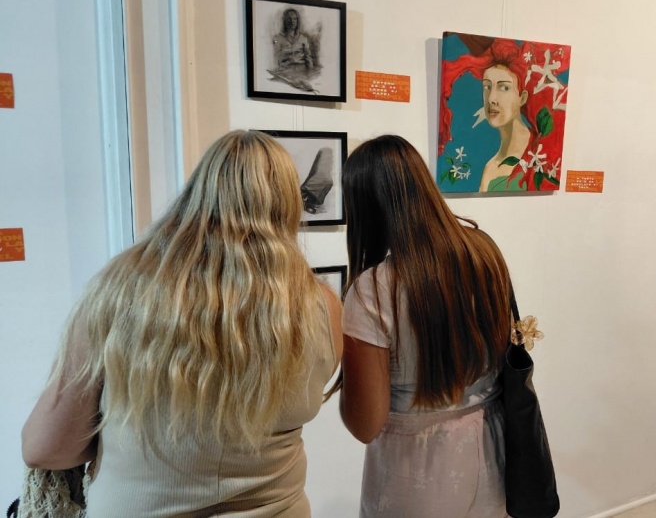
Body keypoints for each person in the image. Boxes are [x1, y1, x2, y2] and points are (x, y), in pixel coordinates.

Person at [21, 130, 343, 516]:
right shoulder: (322, 307)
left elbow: (45, 448)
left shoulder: (121, 291)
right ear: (288, 205)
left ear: (197, 192)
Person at [335, 135, 513, 517]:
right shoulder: (484, 253)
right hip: (491, 450)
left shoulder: (373, 290)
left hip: (415, 466)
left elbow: (365, 424)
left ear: (363, 207)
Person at [438, 35, 568, 192]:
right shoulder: (490, 171)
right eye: (487, 87)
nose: (491, 98)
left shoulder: (544, 151)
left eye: (504, 87)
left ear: (522, 97)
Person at [268, 7, 319, 93]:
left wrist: (309, 73)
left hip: (302, 73)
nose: (292, 22)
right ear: (284, 21)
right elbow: (276, 60)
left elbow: (309, 60)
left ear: (297, 21)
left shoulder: (303, 38)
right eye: (289, 19)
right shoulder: (277, 38)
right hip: (286, 74)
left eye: (294, 19)